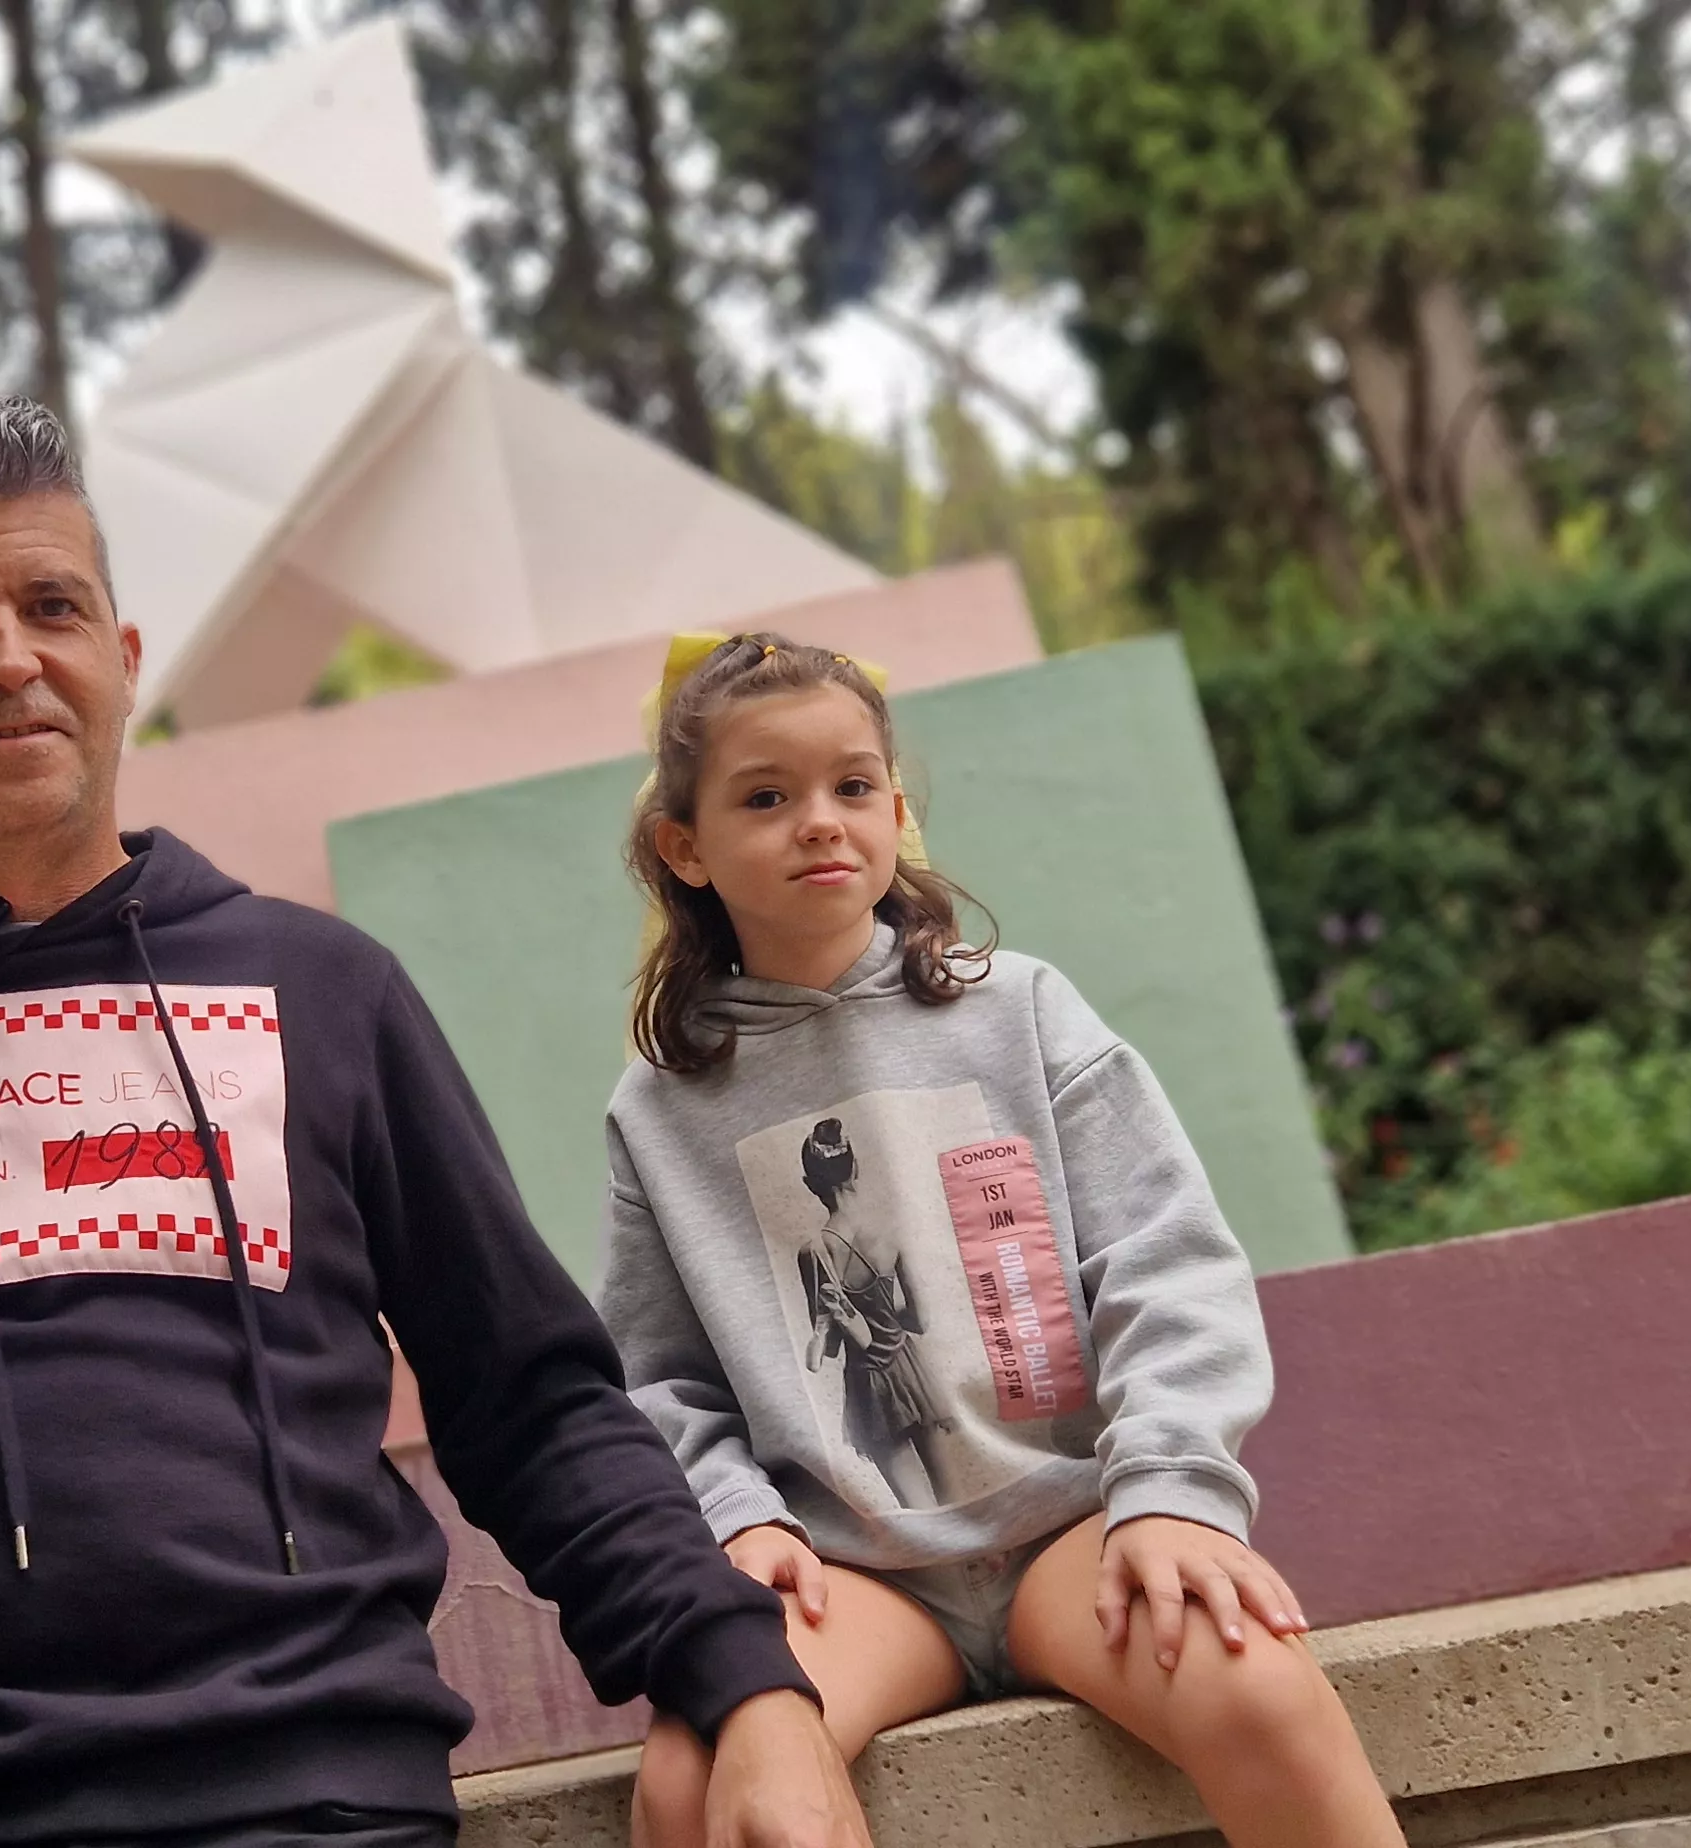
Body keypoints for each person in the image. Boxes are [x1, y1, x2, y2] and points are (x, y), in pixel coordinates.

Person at [0, 398, 871, 1848]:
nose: (8, 657)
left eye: (52, 607)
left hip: (325, 1813)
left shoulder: (326, 995)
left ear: (124, 662)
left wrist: (747, 1684)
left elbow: (533, 1408)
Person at [599, 632, 1406, 1848]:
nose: (820, 821)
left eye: (851, 787)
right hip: (854, 1575)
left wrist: (1175, 1488)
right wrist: (735, 1517)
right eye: (766, 796)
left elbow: (1163, 1256)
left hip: (1071, 1530)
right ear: (684, 846)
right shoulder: (659, 1111)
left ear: (896, 809)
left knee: (1258, 1687)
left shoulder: (1018, 1009)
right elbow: (655, 1379)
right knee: (691, 1784)